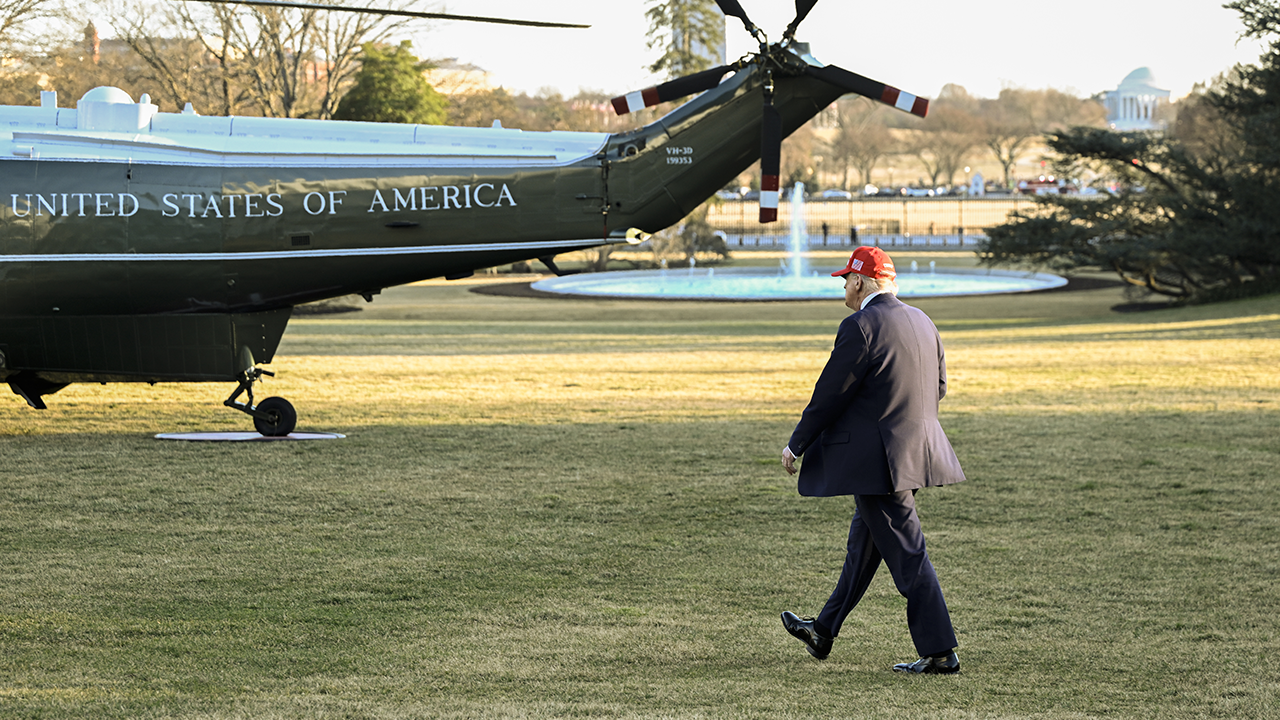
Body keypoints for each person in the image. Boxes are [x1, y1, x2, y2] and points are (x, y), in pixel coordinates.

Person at [779, 246, 966, 674]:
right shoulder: (923, 320)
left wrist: (797, 444)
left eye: (847, 279)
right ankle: (822, 630)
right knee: (863, 547)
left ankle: (941, 652)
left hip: (881, 463)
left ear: (860, 282)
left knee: (908, 554)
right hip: (915, 454)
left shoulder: (860, 325)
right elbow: (938, 387)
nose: (844, 287)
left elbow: (830, 394)